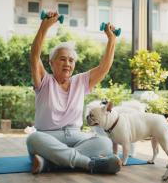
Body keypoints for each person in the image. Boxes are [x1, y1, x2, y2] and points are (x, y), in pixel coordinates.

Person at [26, 11, 121, 174]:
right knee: (33, 139)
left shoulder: (80, 81)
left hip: (76, 137)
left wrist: (112, 39)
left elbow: (104, 68)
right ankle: (90, 164)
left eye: (71, 60)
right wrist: (44, 26)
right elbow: (34, 56)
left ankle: (50, 163)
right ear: (51, 63)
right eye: (62, 59)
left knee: (105, 143)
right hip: (48, 138)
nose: (67, 64)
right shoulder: (44, 80)